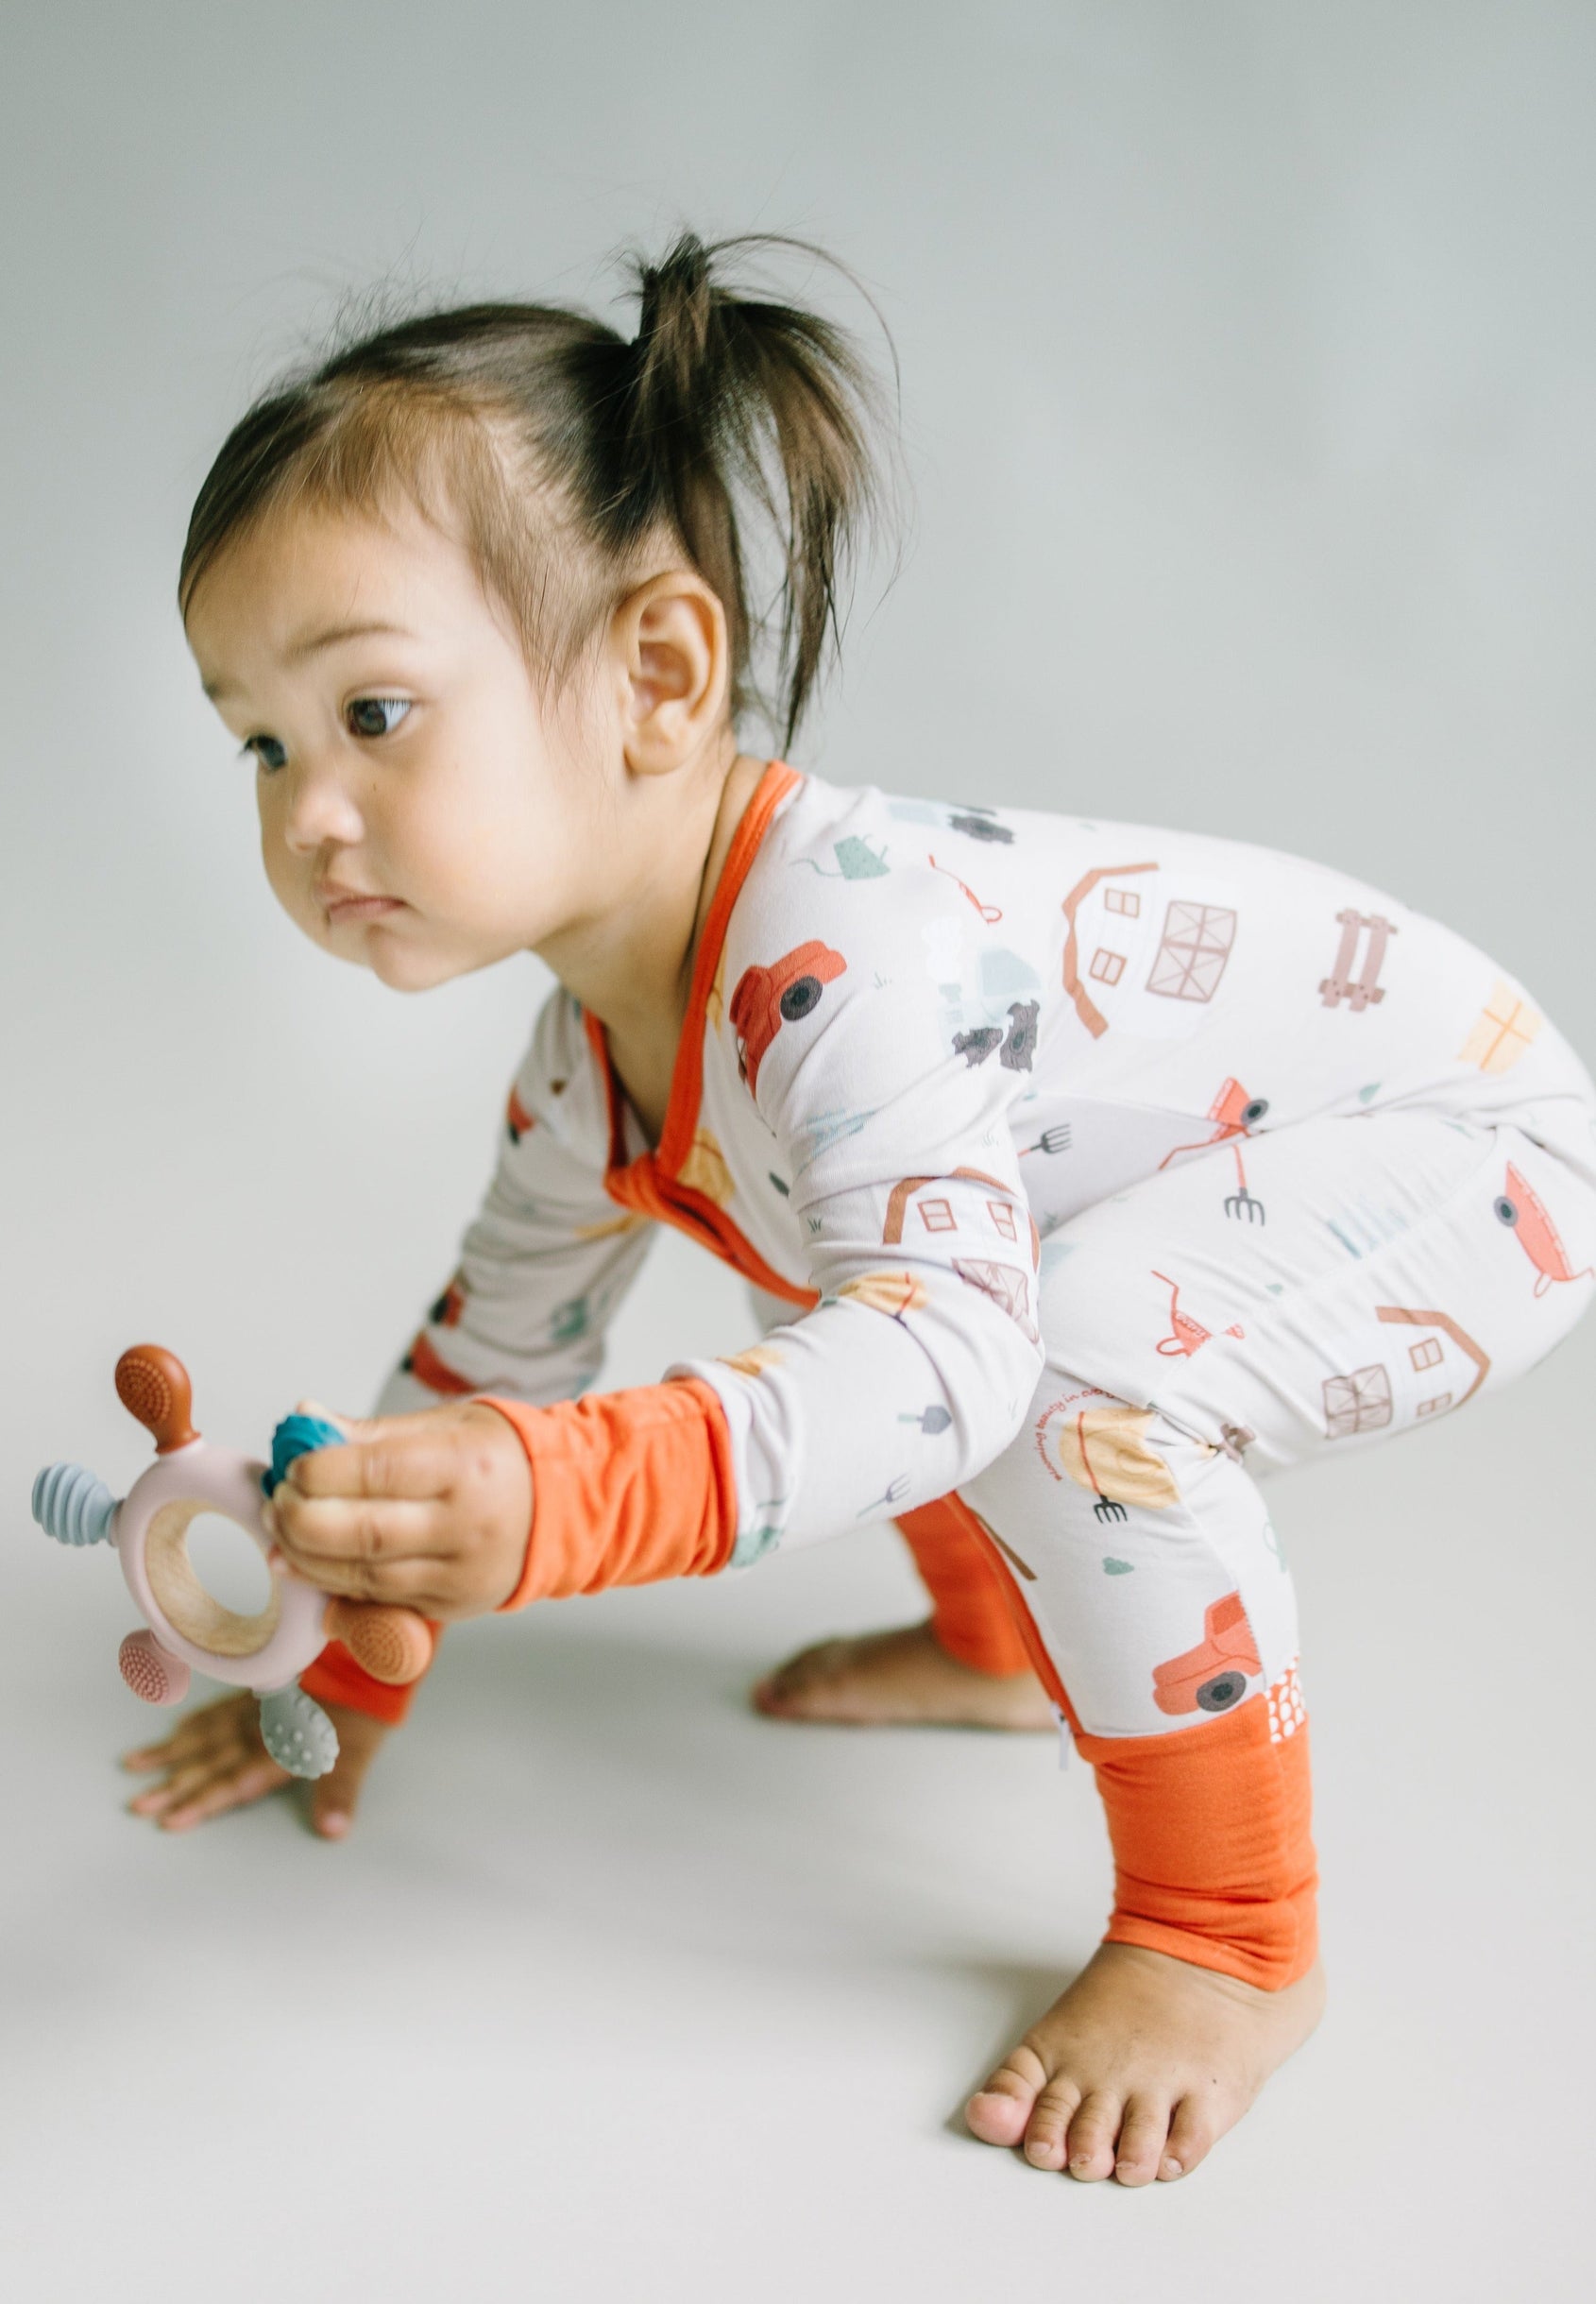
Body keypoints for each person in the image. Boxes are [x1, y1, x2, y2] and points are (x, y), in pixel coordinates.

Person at [122, 232, 1595, 2185]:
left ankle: (1231, 1937)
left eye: (370, 712)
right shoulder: (593, 1049)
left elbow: (934, 1360)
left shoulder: (840, 943)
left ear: (658, 672)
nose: (305, 812)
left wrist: (557, 1498)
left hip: (1462, 1141)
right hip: (1235, 1159)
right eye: (261, 740)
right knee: (856, 1279)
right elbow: (491, 1350)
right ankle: (999, 1647)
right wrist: (340, 1640)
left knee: (1017, 1355)